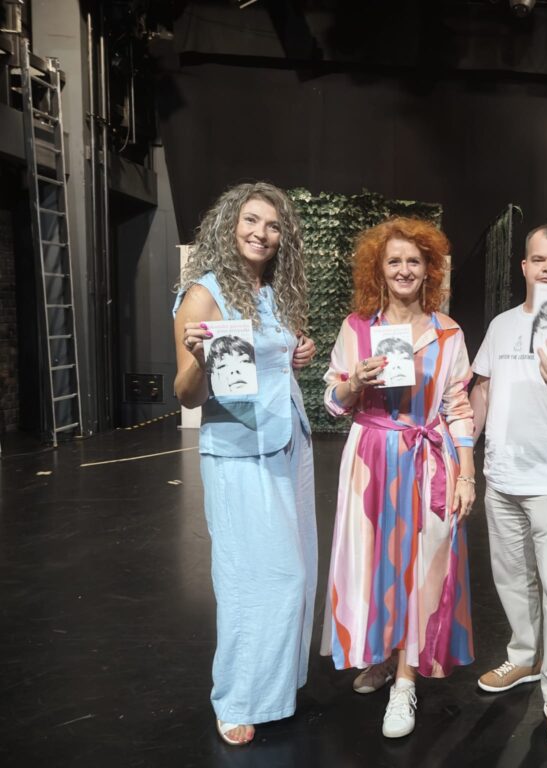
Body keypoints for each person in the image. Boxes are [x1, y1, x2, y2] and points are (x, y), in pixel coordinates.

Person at [172, 181, 317, 747]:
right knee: (250, 577)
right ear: (229, 224)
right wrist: (200, 359)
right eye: (252, 221)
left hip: (289, 441)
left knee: (296, 573)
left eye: (273, 225)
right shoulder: (203, 293)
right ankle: (235, 697)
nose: (262, 233)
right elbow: (185, 393)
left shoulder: (274, 291)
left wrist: (298, 352)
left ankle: (274, 687)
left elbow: (273, 362)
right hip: (238, 451)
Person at [321, 217, 475, 739]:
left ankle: (405, 682)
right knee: (374, 565)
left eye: (414, 260)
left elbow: (458, 407)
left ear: (429, 269)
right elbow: (332, 401)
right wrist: (354, 383)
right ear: (379, 270)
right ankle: (386, 656)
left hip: (428, 460)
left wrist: (467, 474)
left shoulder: (447, 332)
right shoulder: (356, 329)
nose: (405, 269)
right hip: (370, 460)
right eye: (394, 261)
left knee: (421, 567)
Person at [470, 224, 547, 750]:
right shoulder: (501, 326)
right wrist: (462, 453)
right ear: (524, 266)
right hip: (502, 474)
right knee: (512, 578)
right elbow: (482, 388)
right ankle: (524, 656)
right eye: (539, 259)